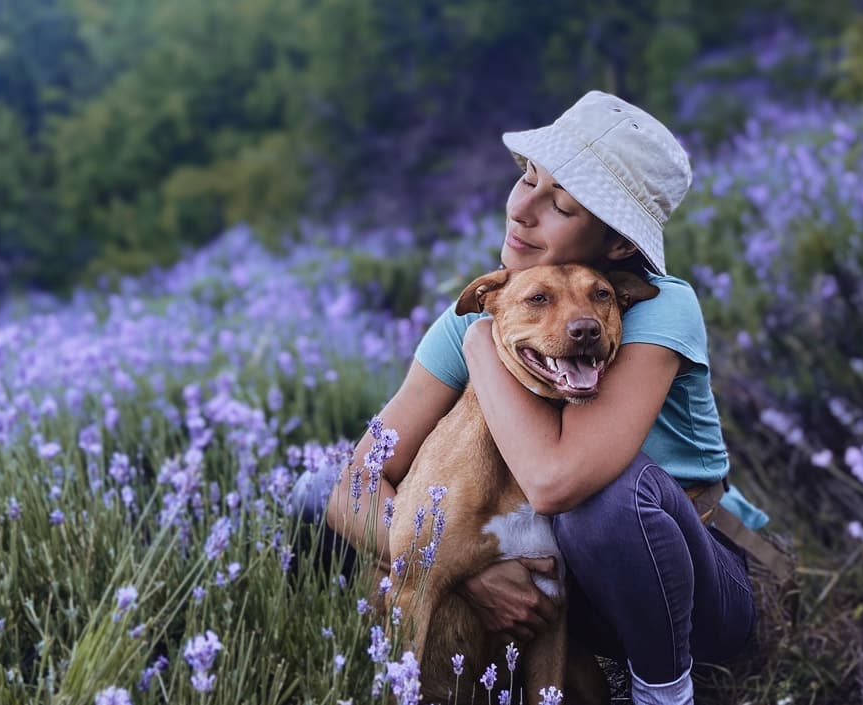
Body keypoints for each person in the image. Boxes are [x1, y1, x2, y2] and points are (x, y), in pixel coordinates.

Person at [317, 90, 768, 705]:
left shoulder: (658, 306)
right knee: (312, 492)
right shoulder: (491, 307)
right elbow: (356, 484)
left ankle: (663, 692)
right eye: (527, 178)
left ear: (615, 245)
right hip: (558, 593)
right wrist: (466, 570)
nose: (523, 210)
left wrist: (482, 348)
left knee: (604, 498)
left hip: (685, 589)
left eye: (560, 203)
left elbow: (556, 482)